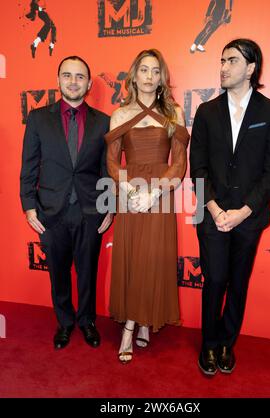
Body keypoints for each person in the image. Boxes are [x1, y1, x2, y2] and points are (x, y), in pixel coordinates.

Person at [190, 39, 270, 375]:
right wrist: (215, 209)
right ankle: (209, 344)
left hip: (249, 217)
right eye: (221, 60)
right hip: (212, 214)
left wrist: (244, 211)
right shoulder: (205, 111)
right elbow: (197, 167)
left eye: (231, 61)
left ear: (251, 68)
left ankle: (227, 343)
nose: (223, 67)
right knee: (215, 280)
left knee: (238, 282)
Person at [20, 56, 112, 349]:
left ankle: (87, 321)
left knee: (88, 272)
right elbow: (29, 165)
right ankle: (65, 322)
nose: (73, 81)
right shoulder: (37, 118)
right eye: (67, 75)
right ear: (58, 80)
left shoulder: (104, 122)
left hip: (90, 210)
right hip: (50, 211)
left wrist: (109, 207)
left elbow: (106, 169)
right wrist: (28, 205)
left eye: (80, 76)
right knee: (58, 274)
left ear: (88, 83)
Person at [105, 49, 189, 364]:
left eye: (156, 71)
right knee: (132, 256)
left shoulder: (174, 113)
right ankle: (133, 324)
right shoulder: (120, 114)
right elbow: (112, 161)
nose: (150, 76)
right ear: (134, 75)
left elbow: (179, 162)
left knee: (152, 258)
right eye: (144, 70)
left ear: (162, 77)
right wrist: (128, 188)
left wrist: (153, 194)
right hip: (129, 192)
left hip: (161, 193)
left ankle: (139, 322)